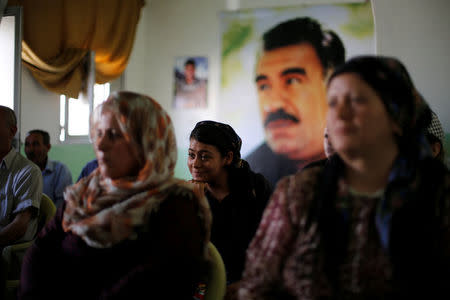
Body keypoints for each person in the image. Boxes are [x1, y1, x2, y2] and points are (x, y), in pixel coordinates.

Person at [238, 56, 450, 299]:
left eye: (357, 100)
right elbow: (256, 287)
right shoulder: (300, 192)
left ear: (396, 114)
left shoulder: (437, 192)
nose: (340, 113)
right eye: (333, 102)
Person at [18, 91, 212, 299]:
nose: (100, 145)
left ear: (145, 142)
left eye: (114, 135)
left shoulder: (175, 204)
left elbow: (149, 285)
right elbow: (40, 251)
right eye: (99, 133)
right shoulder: (88, 191)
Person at [245, 17, 346, 188]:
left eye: (292, 80)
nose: (273, 104)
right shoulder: (248, 175)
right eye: (264, 86)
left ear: (333, 85)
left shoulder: (365, 167)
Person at [187, 121, 272, 290]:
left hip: (253, 285)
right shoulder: (188, 195)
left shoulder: (255, 189)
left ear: (228, 157)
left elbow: (273, 246)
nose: (195, 164)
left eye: (204, 156)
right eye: (191, 155)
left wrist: (246, 285)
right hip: (208, 287)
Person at [0, 106, 42, 248]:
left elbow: (19, 227)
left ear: (12, 131)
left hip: (9, 253)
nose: (31, 149)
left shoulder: (28, 172)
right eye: (28, 144)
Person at [25, 129, 73, 207]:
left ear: (48, 147)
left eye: (36, 144)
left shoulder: (60, 171)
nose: (30, 149)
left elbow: (63, 205)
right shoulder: (20, 172)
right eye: (27, 144)